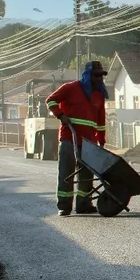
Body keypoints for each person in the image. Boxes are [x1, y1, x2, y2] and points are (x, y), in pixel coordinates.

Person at [46, 61, 108, 217]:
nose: (99, 78)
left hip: (89, 141)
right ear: (87, 75)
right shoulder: (70, 88)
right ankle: (64, 206)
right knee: (66, 171)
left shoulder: (99, 96)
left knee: (87, 174)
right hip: (69, 137)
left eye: (101, 75)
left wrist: (101, 138)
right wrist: (61, 115)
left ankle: (83, 204)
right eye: (96, 75)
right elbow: (50, 101)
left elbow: (100, 121)